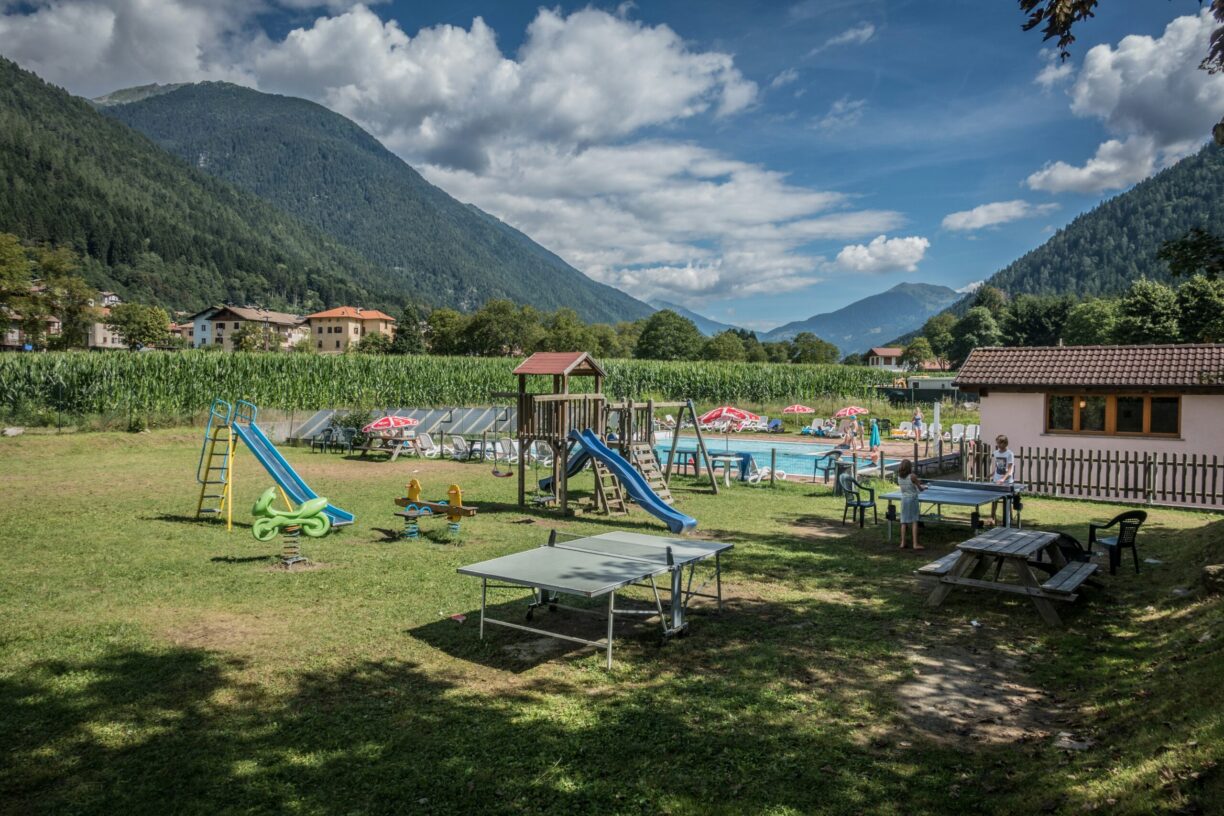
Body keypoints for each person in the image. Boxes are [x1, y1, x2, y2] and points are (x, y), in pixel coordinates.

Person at [897, 459, 926, 550]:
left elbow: (905, 488)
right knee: (914, 521)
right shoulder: (912, 476)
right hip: (912, 499)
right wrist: (924, 487)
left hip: (904, 499)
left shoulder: (899, 477)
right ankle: (915, 544)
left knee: (903, 521)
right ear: (909, 467)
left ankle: (902, 543)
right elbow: (920, 488)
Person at [989, 434, 1015, 525]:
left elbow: (1010, 469)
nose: (999, 445)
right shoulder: (995, 453)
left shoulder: (1010, 454)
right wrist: (992, 473)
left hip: (1007, 481)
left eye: (1000, 443)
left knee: (1007, 500)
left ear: (1005, 443)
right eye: (997, 443)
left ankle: (1010, 518)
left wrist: (1003, 479)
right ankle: (992, 518)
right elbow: (997, 465)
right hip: (996, 480)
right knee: (994, 500)